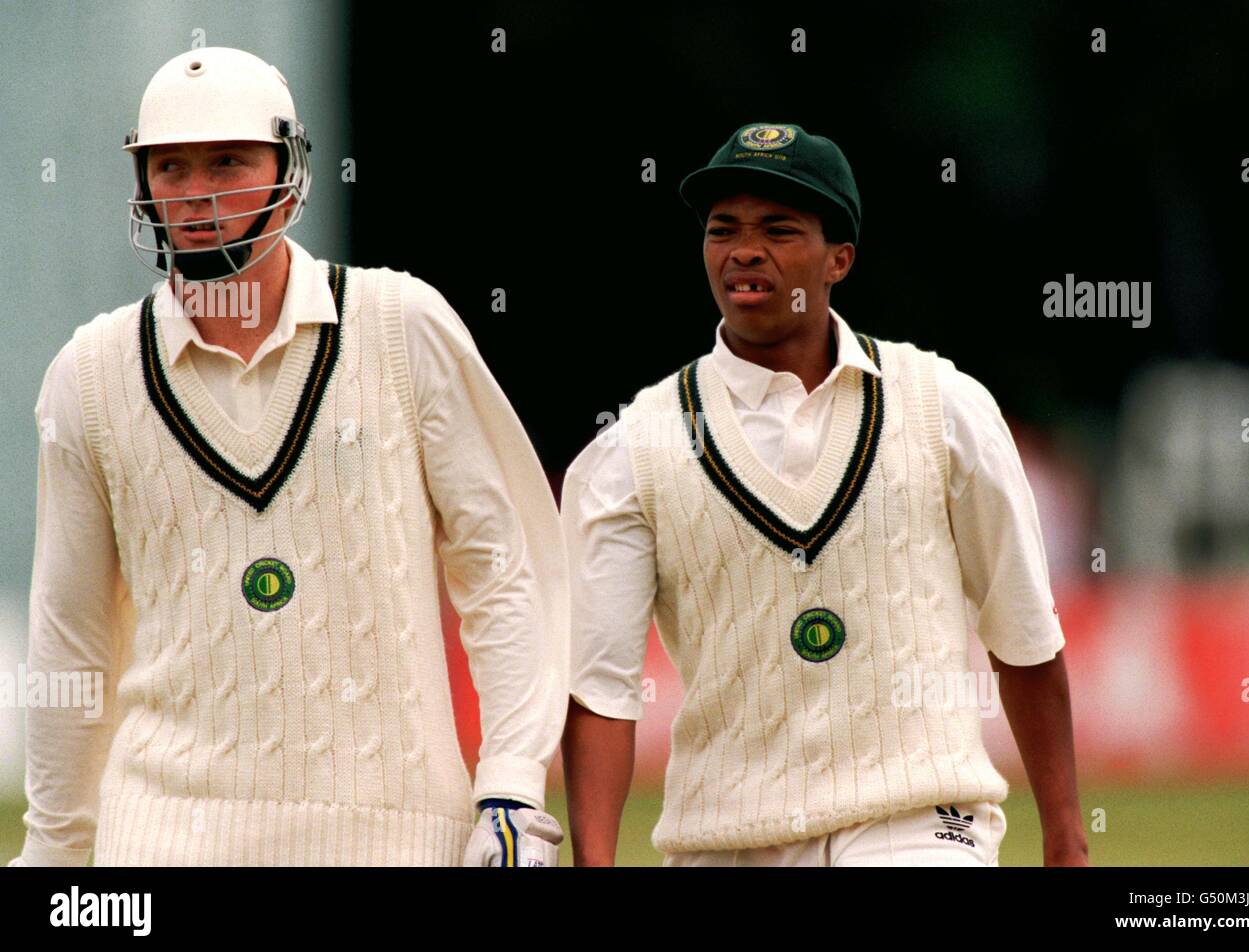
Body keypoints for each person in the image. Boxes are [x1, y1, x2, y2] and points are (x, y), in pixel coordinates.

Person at [9, 47, 566, 867]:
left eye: (228, 161)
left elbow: (503, 570)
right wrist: (53, 858)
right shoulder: (88, 377)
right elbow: (71, 639)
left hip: (393, 837)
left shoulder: (402, 326)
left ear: (290, 169)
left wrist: (513, 788)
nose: (197, 194)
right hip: (164, 840)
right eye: (171, 166)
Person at [560, 122, 1089, 866]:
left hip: (920, 818)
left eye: (778, 229)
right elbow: (604, 694)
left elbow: (1024, 635)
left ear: (839, 258)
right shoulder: (633, 449)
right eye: (724, 230)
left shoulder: (944, 409)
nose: (745, 250)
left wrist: (1066, 836)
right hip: (725, 837)